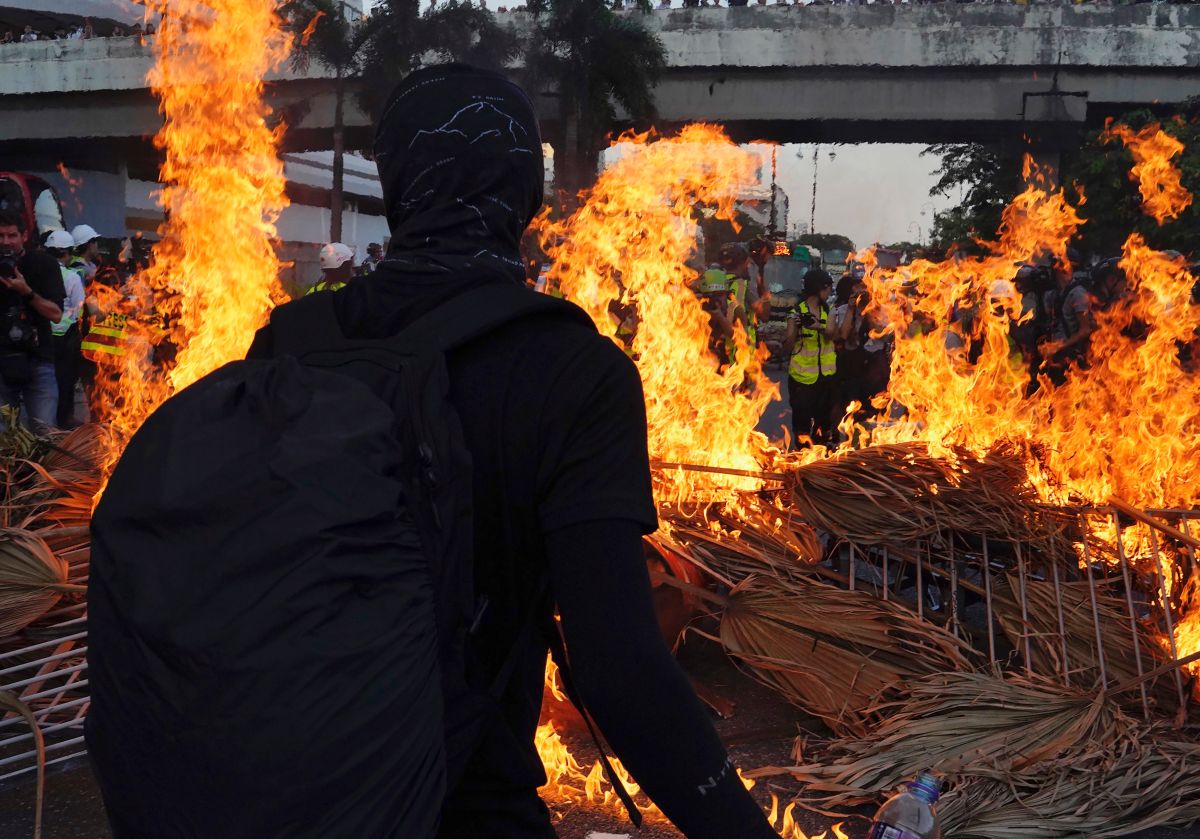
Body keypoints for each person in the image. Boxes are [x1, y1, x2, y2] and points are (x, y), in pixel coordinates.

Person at [250, 64, 778, 839]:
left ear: (395, 188)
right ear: (524, 195)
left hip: (281, 789)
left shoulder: (285, 345)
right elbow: (619, 669)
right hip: (463, 797)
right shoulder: (573, 371)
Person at [0, 212, 65, 431]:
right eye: (0, 236)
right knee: (4, 439)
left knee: (45, 433)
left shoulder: (44, 264)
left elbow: (56, 314)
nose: (6, 242)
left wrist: (26, 291)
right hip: (1, 360)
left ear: (24, 235)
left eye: (12, 235)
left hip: (38, 360)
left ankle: (42, 467)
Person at [784, 268, 838, 445]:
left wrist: (817, 327)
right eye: (828, 288)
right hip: (801, 379)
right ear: (819, 288)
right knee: (802, 424)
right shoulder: (796, 311)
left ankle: (820, 458)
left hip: (826, 377)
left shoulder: (828, 309)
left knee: (823, 423)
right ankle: (802, 457)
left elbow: (831, 334)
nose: (830, 291)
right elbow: (788, 346)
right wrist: (796, 327)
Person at [44, 230, 85, 427]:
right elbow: (79, 308)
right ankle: (65, 418)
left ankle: (47, 419)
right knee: (66, 379)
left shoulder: (37, 272)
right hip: (66, 337)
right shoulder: (72, 277)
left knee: (46, 379)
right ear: (67, 253)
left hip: (43, 334)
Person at [1039, 248, 1094, 384]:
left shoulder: (1077, 294)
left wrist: (1059, 346)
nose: (1051, 268)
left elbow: (1085, 330)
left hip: (1073, 361)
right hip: (1058, 359)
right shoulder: (1057, 293)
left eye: (1054, 264)